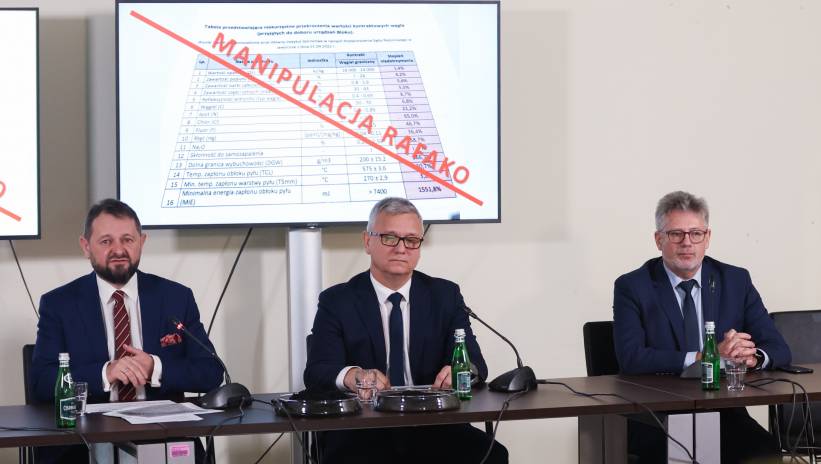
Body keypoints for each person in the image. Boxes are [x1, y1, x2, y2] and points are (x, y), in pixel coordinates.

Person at [304, 197, 508, 464]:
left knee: (493, 455)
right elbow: (317, 371)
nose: (401, 248)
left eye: (411, 240)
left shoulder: (445, 296)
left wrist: (461, 370)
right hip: (363, 430)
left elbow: (477, 364)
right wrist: (355, 376)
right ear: (367, 241)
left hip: (434, 425)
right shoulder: (338, 300)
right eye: (390, 238)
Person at [31, 199, 223, 463]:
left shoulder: (176, 297)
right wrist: (105, 372)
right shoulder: (59, 304)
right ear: (86, 246)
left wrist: (155, 368)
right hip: (84, 441)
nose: (118, 250)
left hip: (164, 436)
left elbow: (211, 372)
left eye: (128, 240)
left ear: (142, 242)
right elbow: (41, 382)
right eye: (106, 241)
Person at [613, 190, 791, 463]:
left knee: (764, 452)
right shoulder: (633, 286)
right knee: (682, 454)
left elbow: (778, 348)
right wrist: (707, 356)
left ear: (707, 238)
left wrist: (751, 357)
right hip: (656, 416)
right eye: (676, 234)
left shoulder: (735, 280)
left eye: (696, 233)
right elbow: (631, 357)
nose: (687, 242)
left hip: (723, 411)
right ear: (659, 240)